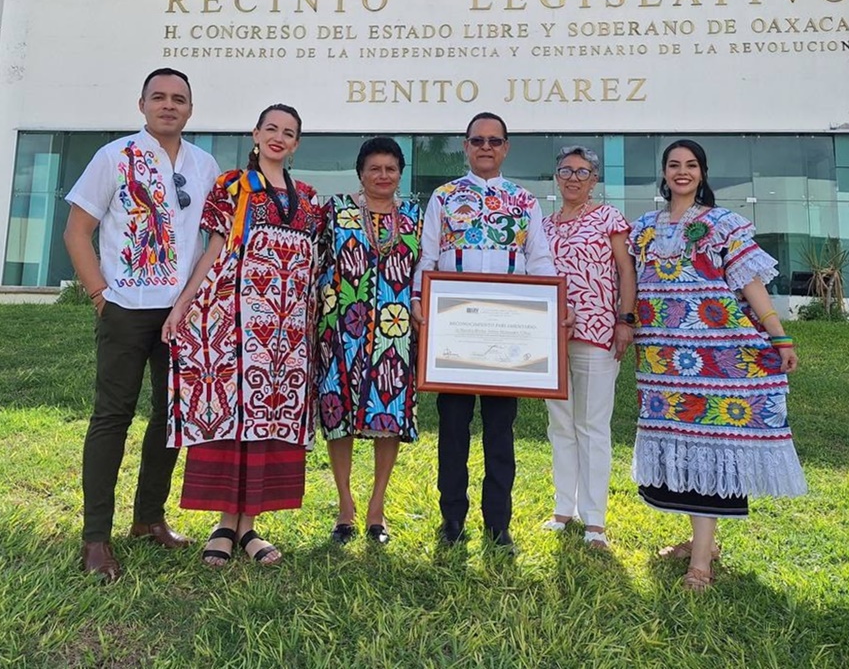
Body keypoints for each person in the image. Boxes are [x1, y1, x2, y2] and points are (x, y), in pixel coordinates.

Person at [63, 67, 221, 582]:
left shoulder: (205, 164)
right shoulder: (113, 157)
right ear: (142, 104)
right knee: (112, 417)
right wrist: (99, 296)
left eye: (179, 99)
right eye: (159, 97)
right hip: (125, 308)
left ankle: (149, 518)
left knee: (170, 419)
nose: (168, 105)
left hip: (181, 312)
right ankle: (96, 538)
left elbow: (215, 236)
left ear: (190, 110)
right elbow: (76, 231)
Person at [629, 138, 807, 591]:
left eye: (691, 165)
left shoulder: (724, 225)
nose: (682, 172)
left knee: (712, 443)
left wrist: (778, 334)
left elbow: (750, 284)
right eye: (674, 165)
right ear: (664, 174)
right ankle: (700, 543)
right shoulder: (644, 229)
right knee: (687, 448)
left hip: (718, 356)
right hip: (663, 360)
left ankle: (702, 564)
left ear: (703, 173)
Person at [163, 103, 322, 567]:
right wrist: (183, 304)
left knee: (270, 421)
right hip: (232, 321)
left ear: (296, 143)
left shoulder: (309, 198)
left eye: (288, 132)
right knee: (229, 417)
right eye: (270, 128)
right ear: (255, 134)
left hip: (284, 334)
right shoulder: (231, 185)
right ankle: (222, 524)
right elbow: (214, 249)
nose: (278, 137)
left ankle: (249, 526)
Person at [411, 112, 567, 551]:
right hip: (455, 336)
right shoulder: (443, 197)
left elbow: (539, 262)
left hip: (509, 338)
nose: (485, 147)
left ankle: (499, 524)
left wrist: (555, 309)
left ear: (505, 148)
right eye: (477, 140)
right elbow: (428, 258)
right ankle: (452, 521)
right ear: (465, 146)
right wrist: (419, 301)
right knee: (453, 431)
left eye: (493, 141)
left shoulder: (523, 201)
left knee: (501, 434)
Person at [317, 137, 422, 545]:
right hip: (341, 329)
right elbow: (315, 262)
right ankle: (345, 507)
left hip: (394, 333)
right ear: (360, 172)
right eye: (374, 168)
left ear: (400, 174)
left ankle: (377, 508)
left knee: (388, 416)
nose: (383, 176)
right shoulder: (337, 211)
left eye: (391, 169)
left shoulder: (414, 215)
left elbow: (424, 270)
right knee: (337, 414)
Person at [540, 145, 636, 550]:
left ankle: (594, 519)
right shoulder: (543, 225)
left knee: (592, 425)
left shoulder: (609, 218)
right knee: (560, 424)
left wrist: (625, 319)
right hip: (549, 336)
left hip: (597, 333)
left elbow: (625, 271)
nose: (574, 178)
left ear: (595, 179)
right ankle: (565, 508)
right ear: (557, 177)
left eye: (583, 172)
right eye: (566, 170)